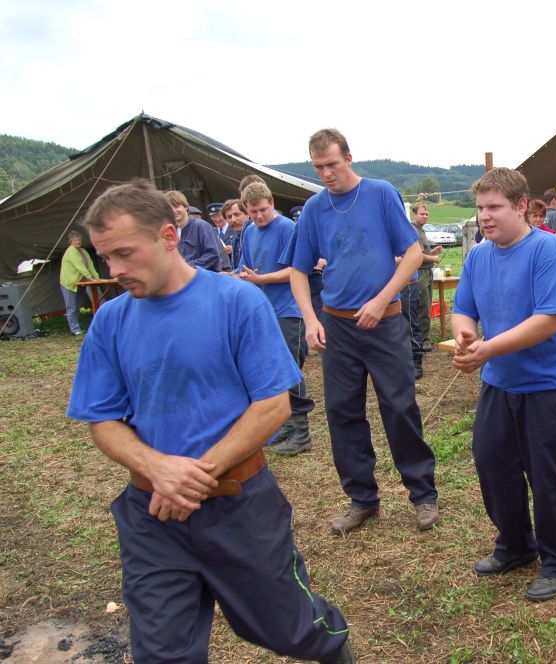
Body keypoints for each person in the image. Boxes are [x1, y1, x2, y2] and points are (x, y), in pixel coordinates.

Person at [66, 180, 354, 664]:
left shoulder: (235, 301)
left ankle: (333, 646)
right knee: (162, 654)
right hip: (153, 515)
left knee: (289, 630)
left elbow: (273, 405)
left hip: (237, 506)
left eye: (124, 254)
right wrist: (159, 470)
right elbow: (103, 420)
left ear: (168, 236)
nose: (114, 271)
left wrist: (192, 477)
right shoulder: (111, 321)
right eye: (105, 257)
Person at [287, 128, 439, 534]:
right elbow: (298, 271)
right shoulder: (314, 209)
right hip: (337, 325)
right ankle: (362, 499)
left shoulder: (380, 193)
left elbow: (412, 254)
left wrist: (381, 299)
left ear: (349, 158)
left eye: (332, 164)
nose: (326, 174)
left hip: (385, 320)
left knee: (400, 407)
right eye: (318, 167)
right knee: (342, 412)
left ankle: (422, 494)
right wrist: (311, 319)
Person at [450, 167, 556, 602]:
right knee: (493, 462)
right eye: (480, 208)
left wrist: (487, 349)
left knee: (550, 477)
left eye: (494, 207)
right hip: (500, 383)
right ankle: (515, 544)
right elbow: (463, 308)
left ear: (522, 206)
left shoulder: (549, 251)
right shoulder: (478, 256)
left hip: (550, 386)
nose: (484, 216)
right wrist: (466, 336)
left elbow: (551, 319)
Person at [237, 182, 315, 455]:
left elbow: (297, 270)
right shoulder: (249, 232)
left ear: (272, 203)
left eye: (263, 209)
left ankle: (301, 432)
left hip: (289, 310)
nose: (259, 216)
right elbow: (246, 268)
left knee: (290, 370)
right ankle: (285, 426)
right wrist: (234, 276)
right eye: (253, 212)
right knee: (273, 372)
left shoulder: (286, 228)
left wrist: (261, 279)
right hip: (264, 311)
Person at [165, 191, 223, 272]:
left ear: (186, 207)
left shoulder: (201, 226)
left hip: (203, 276)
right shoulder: (172, 231)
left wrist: (187, 266)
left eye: (176, 206)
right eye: (170, 208)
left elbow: (213, 255)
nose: (174, 211)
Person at [412, 202, 442, 354]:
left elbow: (423, 253)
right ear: (414, 215)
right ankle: (424, 341)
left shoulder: (421, 230)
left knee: (427, 305)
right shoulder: (413, 230)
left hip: (427, 272)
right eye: (422, 214)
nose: (425, 216)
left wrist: (432, 252)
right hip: (420, 273)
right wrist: (434, 258)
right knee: (423, 306)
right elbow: (417, 255)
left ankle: (423, 338)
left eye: (426, 214)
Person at [59, 230, 100, 336]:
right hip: (70, 283)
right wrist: (90, 278)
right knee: (72, 308)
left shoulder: (83, 251)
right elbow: (79, 266)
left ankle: (79, 328)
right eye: (75, 240)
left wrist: (96, 278)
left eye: (79, 240)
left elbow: (90, 265)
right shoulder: (71, 251)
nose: (77, 242)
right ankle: (75, 330)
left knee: (78, 307)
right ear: (70, 242)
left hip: (81, 282)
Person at [221, 198, 248, 268]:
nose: (233, 220)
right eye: (229, 217)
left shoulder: (255, 236)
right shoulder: (234, 239)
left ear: (248, 214)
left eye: (237, 214)